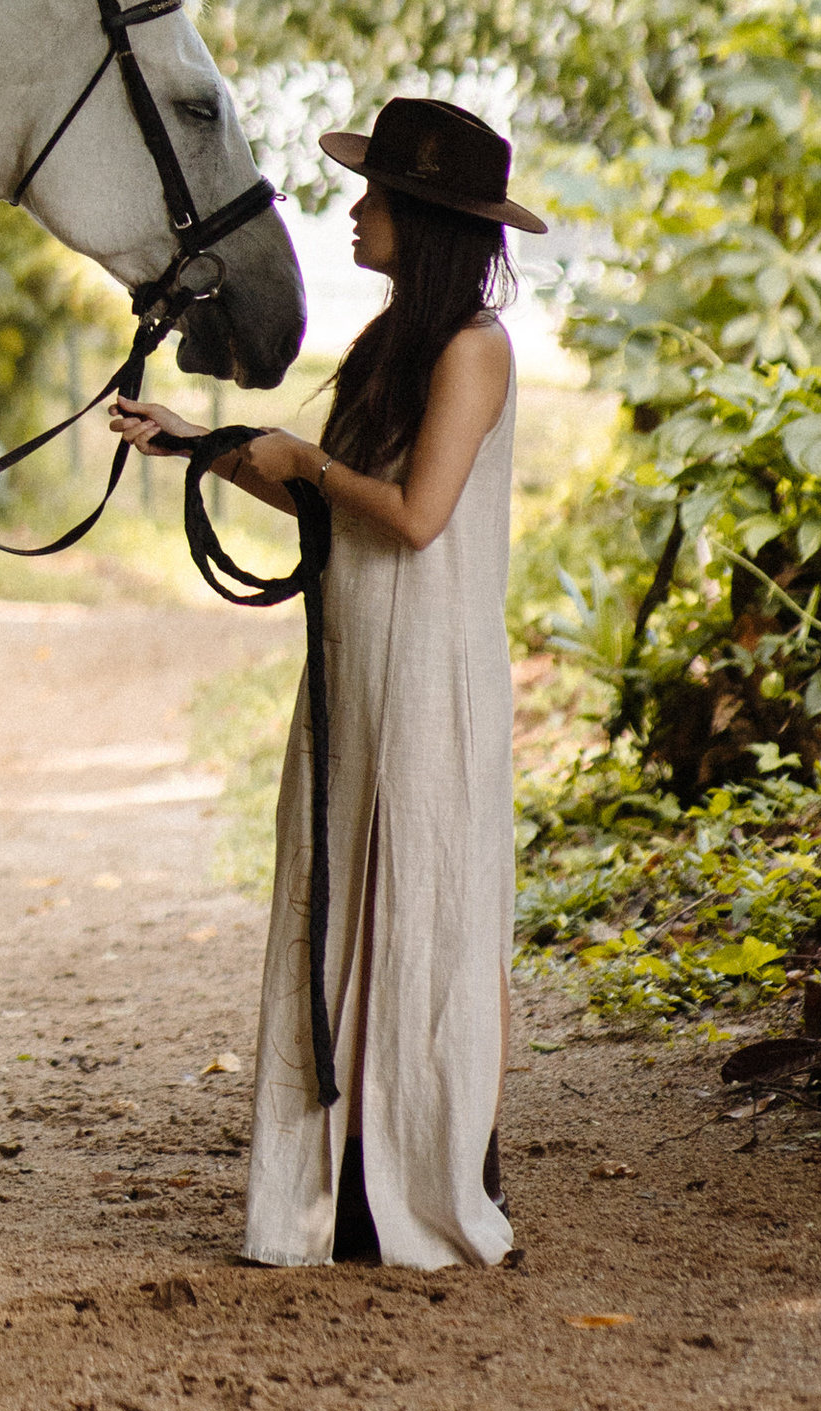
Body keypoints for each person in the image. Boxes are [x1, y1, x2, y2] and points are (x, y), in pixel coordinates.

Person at [112, 93, 540, 1273]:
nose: (354, 215)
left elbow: (413, 515)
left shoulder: (473, 348)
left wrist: (303, 459)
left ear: (423, 219)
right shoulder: (398, 342)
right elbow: (330, 500)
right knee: (345, 894)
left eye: (375, 198)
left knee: (422, 901)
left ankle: (430, 1169)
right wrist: (199, 443)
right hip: (359, 657)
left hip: (427, 668)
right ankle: (348, 1175)